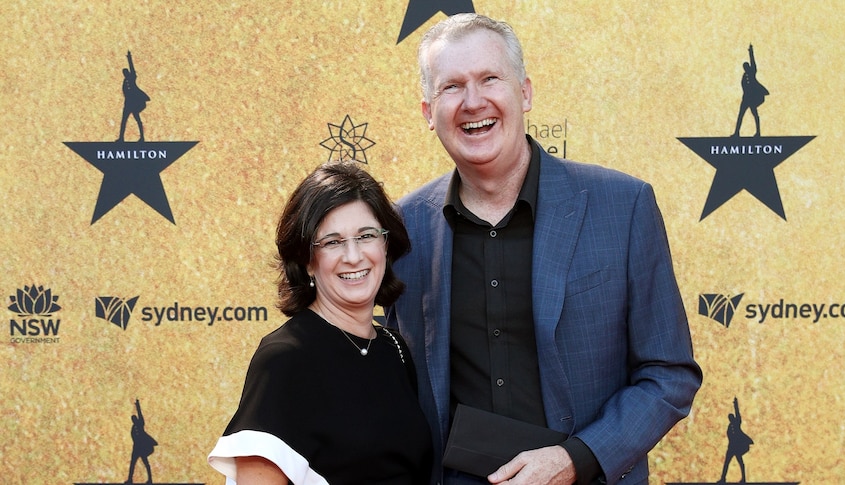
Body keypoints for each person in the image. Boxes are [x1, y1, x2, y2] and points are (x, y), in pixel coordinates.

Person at [384, 13, 702, 485]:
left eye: (490, 78)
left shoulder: (623, 205)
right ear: (429, 113)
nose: (473, 102)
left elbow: (669, 374)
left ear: (525, 92)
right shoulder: (403, 229)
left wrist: (577, 459)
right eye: (452, 87)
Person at [208, 160, 433, 485]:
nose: (354, 256)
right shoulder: (285, 358)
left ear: (386, 245)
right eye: (332, 241)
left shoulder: (395, 350)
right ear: (307, 260)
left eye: (366, 235)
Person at [732, 44, 769, 137]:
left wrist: (751, 51)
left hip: (753, 98)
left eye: (747, 66)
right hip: (746, 98)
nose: (746, 68)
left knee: (755, 114)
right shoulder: (744, 76)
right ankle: (736, 133)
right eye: (744, 67)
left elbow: (753, 61)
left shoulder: (752, 72)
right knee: (740, 115)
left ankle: (758, 132)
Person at [116, 50, 150, 142]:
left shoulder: (132, 78)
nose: (125, 73)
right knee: (123, 121)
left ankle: (142, 137)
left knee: (137, 119)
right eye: (124, 72)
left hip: (135, 103)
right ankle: (121, 138)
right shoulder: (125, 82)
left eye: (126, 72)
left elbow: (132, 68)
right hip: (128, 103)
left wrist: (129, 58)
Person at [718, 397, 753, 483]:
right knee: (726, 463)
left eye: (732, 417)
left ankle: (743, 478)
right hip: (731, 447)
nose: (731, 419)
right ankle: (723, 478)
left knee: (740, 463)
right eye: (730, 418)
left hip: (737, 447)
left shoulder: (737, 423)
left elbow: (738, 413)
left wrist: (735, 404)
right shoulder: (730, 427)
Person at [126, 398, 157, 485]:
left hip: (142, 447)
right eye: (133, 419)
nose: (134, 419)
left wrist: (137, 405)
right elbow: (133, 438)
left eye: (135, 418)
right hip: (136, 448)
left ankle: (150, 479)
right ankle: (130, 480)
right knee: (132, 464)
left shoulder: (140, 424)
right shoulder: (133, 428)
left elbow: (140, 414)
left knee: (146, 464)